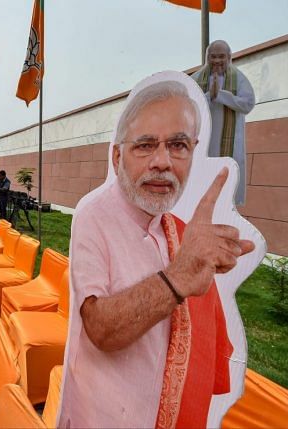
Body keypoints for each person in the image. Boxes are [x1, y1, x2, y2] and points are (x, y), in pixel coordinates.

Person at [59, 80, 254, 428]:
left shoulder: (180, 232)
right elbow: (101, 329)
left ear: (192, 151)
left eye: (178, 145)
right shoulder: (94, 214)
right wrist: (179, 277)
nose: (162, 162)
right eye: (145, 146)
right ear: (117, 155)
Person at [192, 40, 255, 206]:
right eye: (213, 56)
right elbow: (187, 103)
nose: (217, 60)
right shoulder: (197, 78)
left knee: (226, 197)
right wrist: (207, 97)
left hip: (230, 144)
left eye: (221, 56)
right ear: (207, 57)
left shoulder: (239, 78)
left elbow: (248, 104)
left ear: (229, 57)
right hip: (203, 143)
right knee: (201, 192)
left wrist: (221, 96)